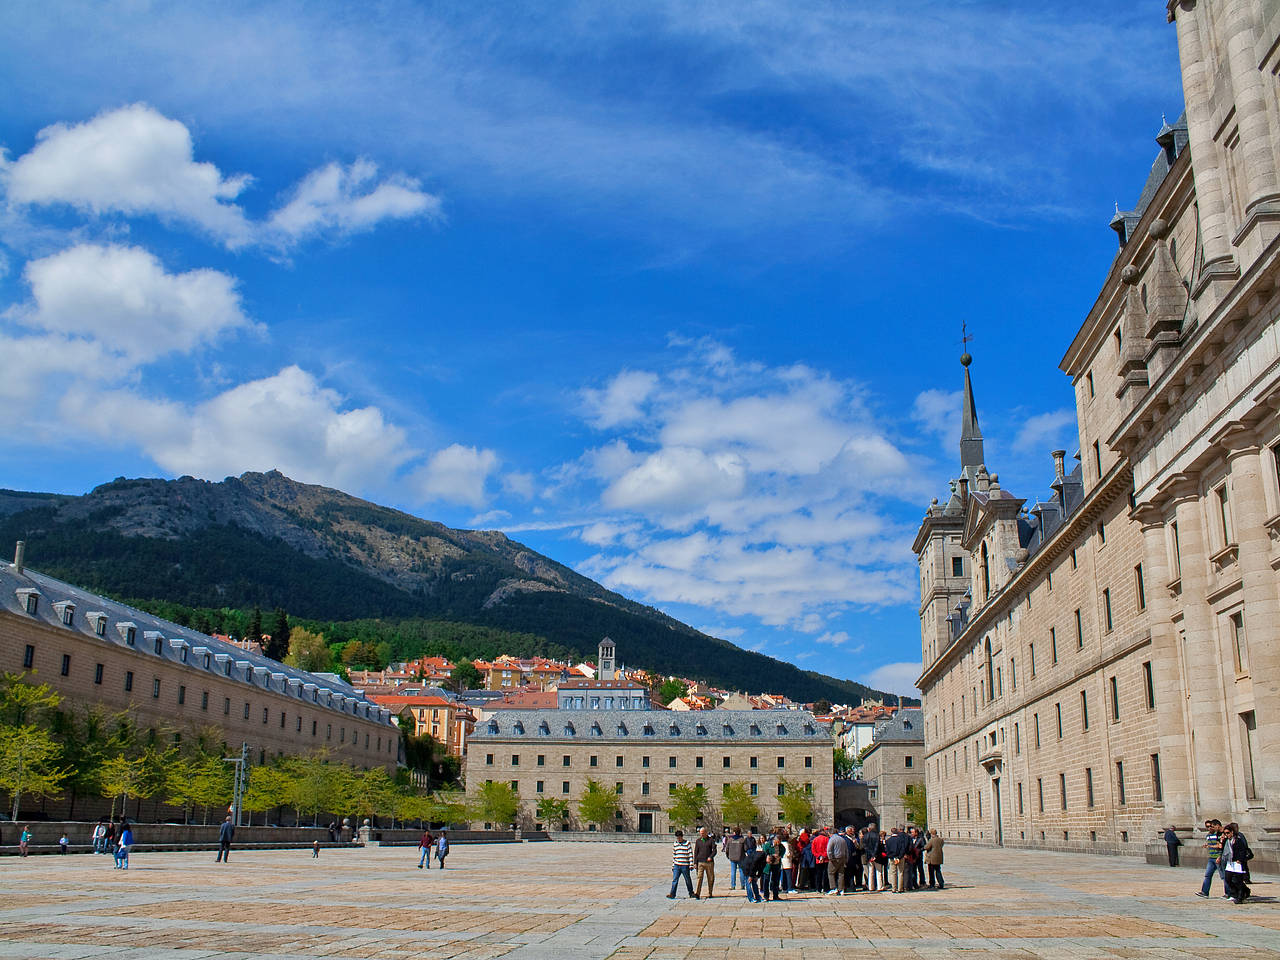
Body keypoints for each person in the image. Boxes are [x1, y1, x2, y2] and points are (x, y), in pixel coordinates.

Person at [1221, 822, 1253, 904]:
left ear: (1232, 832)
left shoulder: (1238, 840)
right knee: (1228, 879)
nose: (1226, 835)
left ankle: (1240, 896)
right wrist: (1221, 841)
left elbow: (1242, 850)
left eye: (1228, 833)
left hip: (1237, 862)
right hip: (1230, 862)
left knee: (1238, 881)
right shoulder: (1226, 841)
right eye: (1225, 833)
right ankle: (1241, 891)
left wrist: (1240, 859)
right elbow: (1222, 850)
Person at [1196, 820, 1224, 899]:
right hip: (1211, 857)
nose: (1209, 828)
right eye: (1207, 827)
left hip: (1218, 857)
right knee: (1208, 875)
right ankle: (1204, 892)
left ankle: (1228, 893)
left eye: (1210, 826)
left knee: (1223, 876)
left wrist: (1219, 855)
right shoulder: (1208, 836)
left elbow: (1220, 845)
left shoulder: (1218, 834)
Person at [667, 830, 697, 899]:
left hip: (685, 865)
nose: (678, 839)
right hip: (677, 865)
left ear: (682, 837)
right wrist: (673, 865)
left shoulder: (687, 843)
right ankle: (672, 894)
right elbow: (674, 855)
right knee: (675, 880)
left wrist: (691, 864)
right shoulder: (675, 844)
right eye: (677, 838)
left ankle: (691, 893)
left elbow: (690, 854)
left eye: (679, 837)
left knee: (687, 880)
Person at [694, 827, 717, 899]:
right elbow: (696, 852)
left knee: (710, 878)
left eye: (703, 833)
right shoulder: (698, 841)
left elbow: (714, 850)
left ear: (706, 833)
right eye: (701, 833)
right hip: (700, 862)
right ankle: (697, 893)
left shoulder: (711, 840)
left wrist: (711, 856)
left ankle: (710, 892)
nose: (702, 834)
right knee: (699, 878)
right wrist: (695, 863)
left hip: (709, 862)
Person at [885, 826, 910, 893]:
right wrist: (899, 857)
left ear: (891, 832)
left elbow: (887, 851)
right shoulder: (901, 840)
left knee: (893, 873)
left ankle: (894, 888)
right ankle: (900, 888)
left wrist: (892, 857)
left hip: (892, 858)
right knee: (900, 872)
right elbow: (903, 849)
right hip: (900, 858)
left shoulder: (888, 841)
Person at [742, 833, 765, 903]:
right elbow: (753, 865)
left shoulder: (765, 859)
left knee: (754, 883)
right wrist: (751, 876)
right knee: (748, 882)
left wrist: (757, 876)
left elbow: (761, 868)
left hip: (752, 867)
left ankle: (758, 897)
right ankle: (751, 898)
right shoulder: (760, 856)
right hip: (746, 866)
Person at [825, 826, 848, 896]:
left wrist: (830, 858)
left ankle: (833, 888)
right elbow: (846, 850)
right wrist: (846, 859)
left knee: (830, 873)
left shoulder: (832, 839)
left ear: (830, 833)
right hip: (842, 857)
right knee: (841, 873)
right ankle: (841, 889)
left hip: (835, 858)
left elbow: (829, 850)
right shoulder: (842, 839)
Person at [811, 826, 830, 893]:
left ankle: (818, 888)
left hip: (818, 859)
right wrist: (823, 856)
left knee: (818, 874)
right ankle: (825, 888)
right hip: (825, 859)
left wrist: (819, 857)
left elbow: (813, 850)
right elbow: (828, 849)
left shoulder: (815, 840)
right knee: (825, 874)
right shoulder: (827, 839)